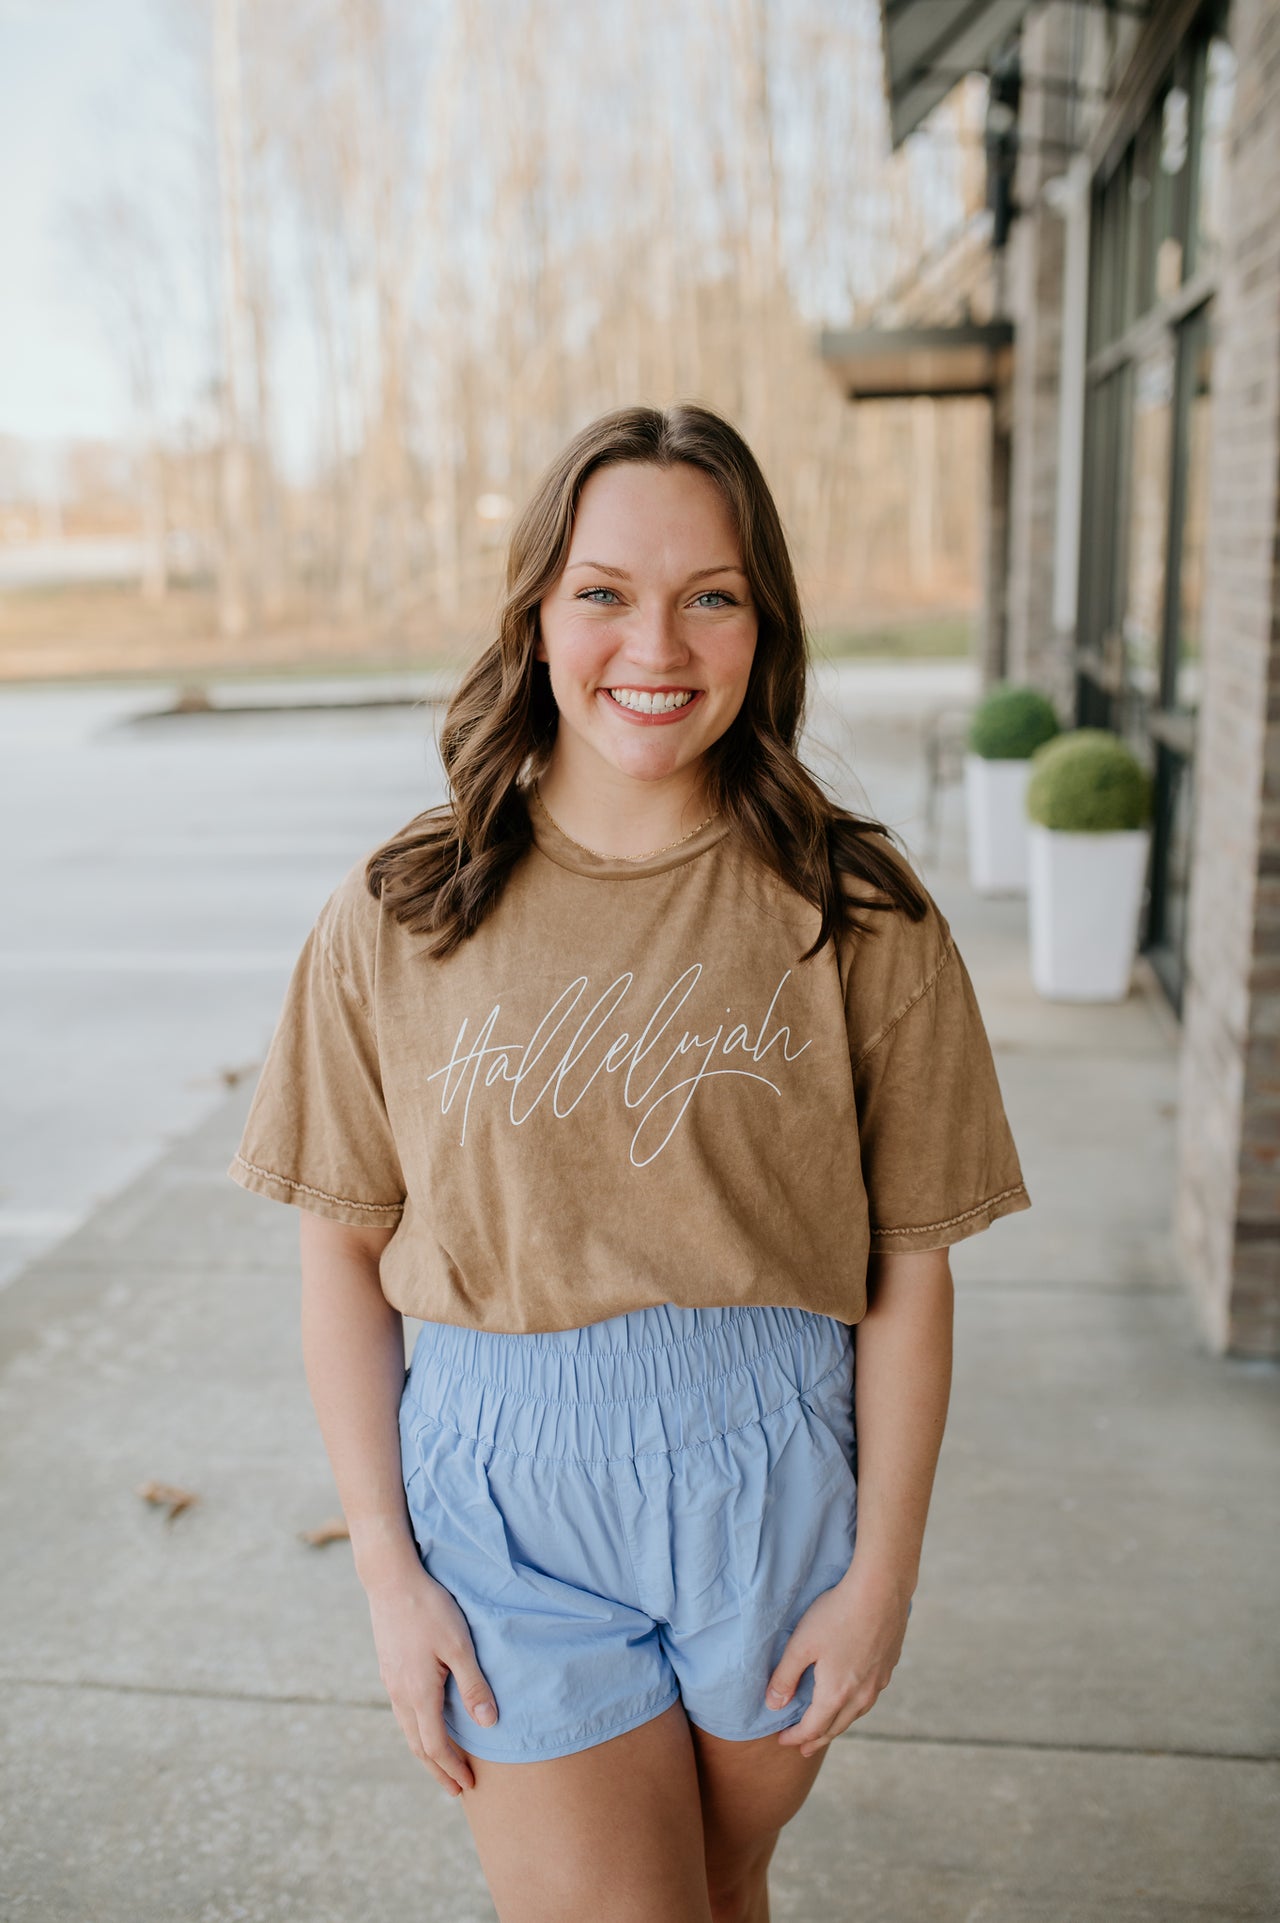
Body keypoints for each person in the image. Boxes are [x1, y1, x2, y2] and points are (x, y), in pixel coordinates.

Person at [227, 401, 1031, 1923]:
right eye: (603, 591)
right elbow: (339, 1252)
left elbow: (912, 1260)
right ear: (537, 615)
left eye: (708, 594)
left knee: (724, 1886)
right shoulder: (404, 913)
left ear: (762, 623)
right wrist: (391, 1582)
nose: (653, 644)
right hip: (503, 1503)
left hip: (776, 1479)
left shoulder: (858, 911)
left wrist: (884, 1579)